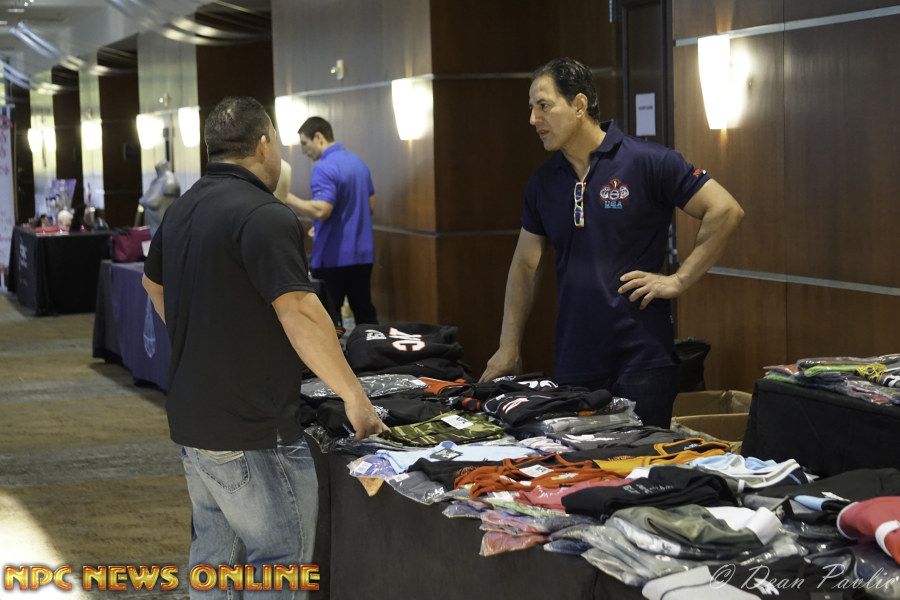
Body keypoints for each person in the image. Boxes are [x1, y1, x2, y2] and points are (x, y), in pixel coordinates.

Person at [142, 96, 387, 599]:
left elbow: (153, 285)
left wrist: (199, 338)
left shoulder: (182, 208)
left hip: (194, 420)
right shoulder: (265, 214)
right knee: (277, 562)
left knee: (214, 562)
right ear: (263, 143)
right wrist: (355, 397)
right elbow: (300, 313)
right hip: (253, 427)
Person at [480, 58, 744, 428]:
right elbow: (525, 266)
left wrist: (679, 280)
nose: (533, 119)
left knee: (640, 459)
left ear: (579, 104)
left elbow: (725, 209)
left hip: (643, 359)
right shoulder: (543, 182)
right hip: (575, 359)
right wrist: (508, 346)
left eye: (544, 106)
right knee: (579, 460)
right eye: (532, 108)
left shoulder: (648, 161)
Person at [283, 117, 378, 327]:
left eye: (304, 143)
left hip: (333, 257)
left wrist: (286, 197)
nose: (303, 151)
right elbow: (370, 205)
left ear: (318, 137)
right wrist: (323, 227)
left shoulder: (324, 168)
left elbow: (322, 210)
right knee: (365, 314)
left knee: (328, 322)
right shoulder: (359, 163)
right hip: (362, 255)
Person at [139, 161, 180, 236]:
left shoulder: (170, 181)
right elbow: (143, 200)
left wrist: (146, 201)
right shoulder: (155, 181)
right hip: (152, 225)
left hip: (164, 227)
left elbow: (153, 202)